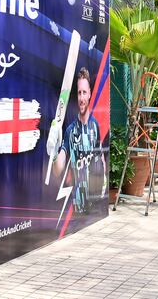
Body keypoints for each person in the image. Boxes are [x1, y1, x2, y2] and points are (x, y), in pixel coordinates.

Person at [54, 67, 100, 213]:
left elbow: (101, 160)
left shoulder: (95, 126)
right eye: (79, 93)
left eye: (84, 92)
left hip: (97, 207)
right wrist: (54, 150)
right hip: (78, 210)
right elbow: (58, 168)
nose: (81, 98)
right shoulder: (70, 131)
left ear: (90, 94)